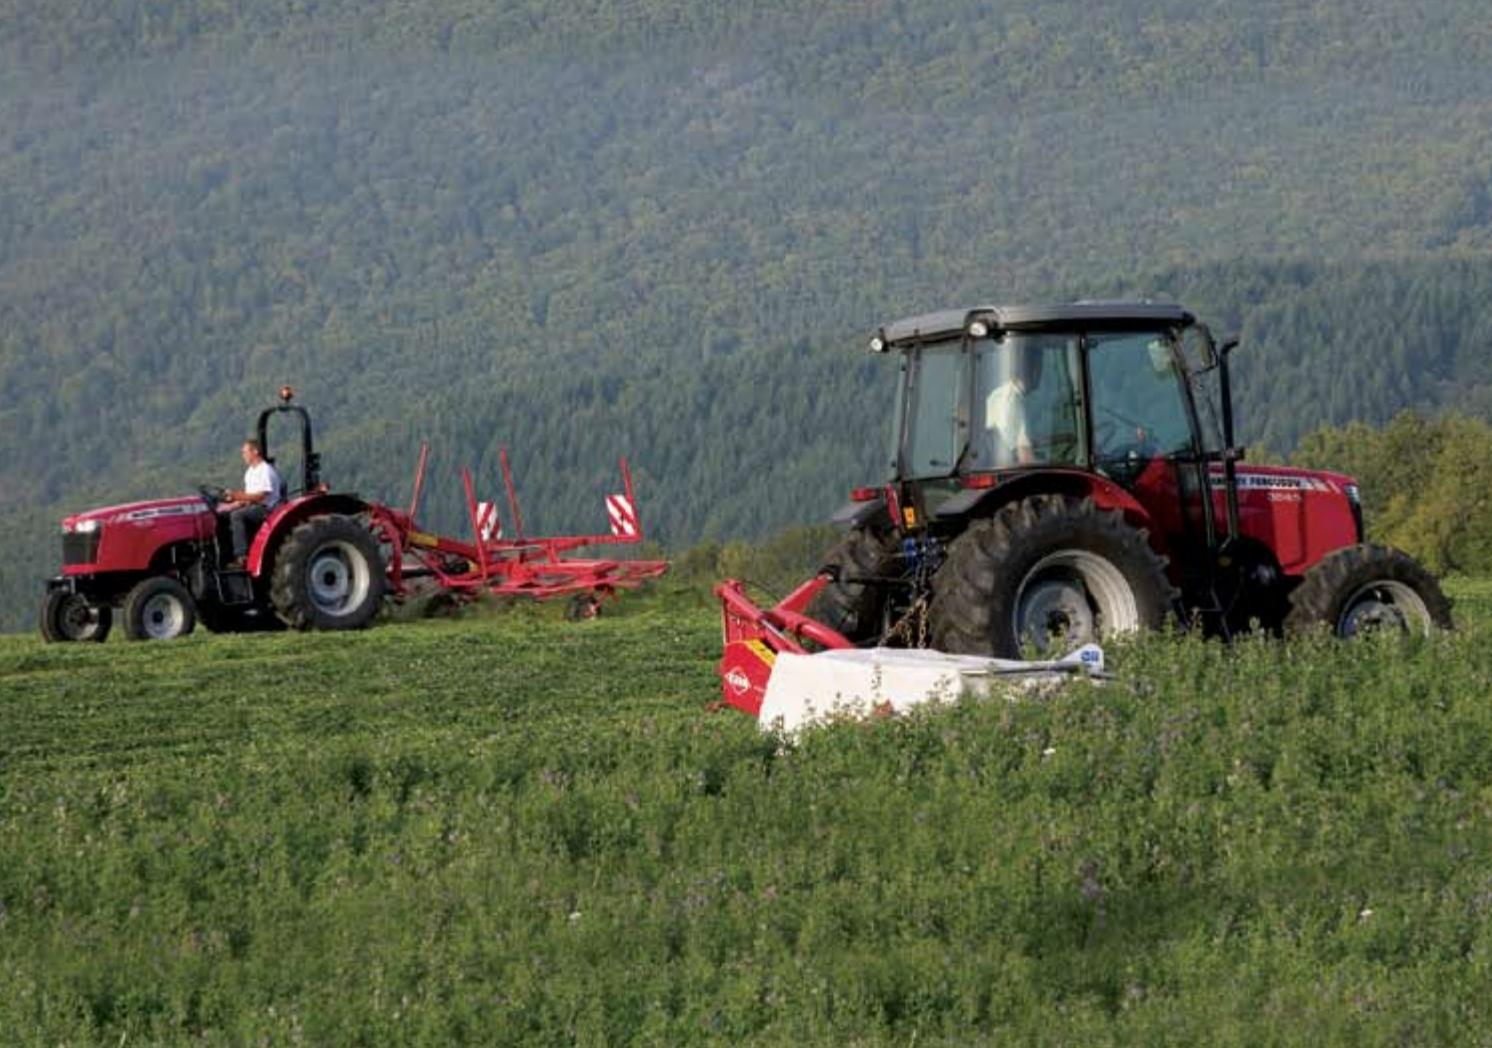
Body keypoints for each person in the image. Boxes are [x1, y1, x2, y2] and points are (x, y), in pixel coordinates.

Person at [221, 439, 283, 566]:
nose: (243, 455)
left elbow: (260, 496)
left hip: (266, 509)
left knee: (237, 516)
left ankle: (241, 555)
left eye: (245, 452)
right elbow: (248, 497)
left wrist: (236, 495)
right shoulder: (250, 472)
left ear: (255, 451)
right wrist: (231, 504)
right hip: (254, 507)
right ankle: (224, 555)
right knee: (223, 516)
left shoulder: (266, 470)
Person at [984, 344, 1043, 466]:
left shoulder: (996, 395)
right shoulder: (1014, 401)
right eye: (1038, 366)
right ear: (1030, 369)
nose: (1040, 374)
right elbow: (1024, 456)